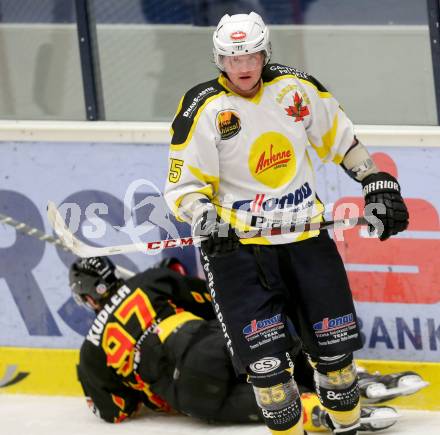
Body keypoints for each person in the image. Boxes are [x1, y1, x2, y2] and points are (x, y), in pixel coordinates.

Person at [164, 11, 409, 435]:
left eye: (251, 56)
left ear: (265, 53)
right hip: (238, 255)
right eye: (232, 58)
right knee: (270, 379)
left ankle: (348, 428)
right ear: (218, 59)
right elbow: (184, 187)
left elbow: (343, 142)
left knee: (337, 367)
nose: (243, 67)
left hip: (306, 239)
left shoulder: (297, 89)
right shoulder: (202, 107)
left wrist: (376, 180)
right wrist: (205, 218)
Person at [71, 256, 427, 432]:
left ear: (87, 300)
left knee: (274, 404)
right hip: (210, 343)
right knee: (283, 362)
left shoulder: (89, 353)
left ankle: (315, 412)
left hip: (191, 396)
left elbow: (114, 411)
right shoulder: (149, 281)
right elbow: (215, 302)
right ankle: (357, 383)